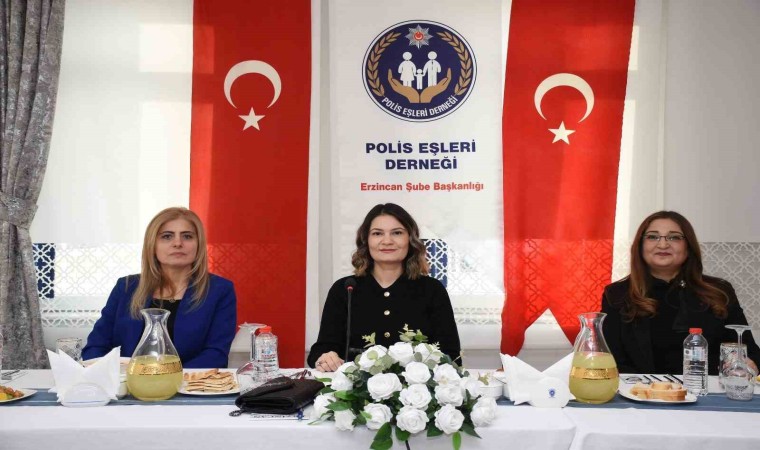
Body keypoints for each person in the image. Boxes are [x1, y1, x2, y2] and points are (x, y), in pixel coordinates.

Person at [602, 211, 760, 375]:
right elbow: (610, 360)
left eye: (674, 237)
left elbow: (750, 353)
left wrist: (748, 366)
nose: (663, 244)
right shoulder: (617, 294)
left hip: (708, 389)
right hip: (641, 389)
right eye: (653, 237)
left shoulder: (720, 291)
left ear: (688, 246)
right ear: (640, 246)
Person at [308, 203, 460, 371]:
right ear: (366, 240)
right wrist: (325, 358)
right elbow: (320, 350)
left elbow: (451, 356)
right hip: (356, 386)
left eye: (397, 233)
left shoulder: (432, 289)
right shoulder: (345, 289)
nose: (387, 241)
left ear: (410, 239)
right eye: (377, 233)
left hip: (416, 387)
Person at [83, 207, 237, 368]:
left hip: (189, 382)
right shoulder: (126, 287)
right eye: (167, 236)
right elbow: (96, 347)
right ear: (153, 244)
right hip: (126, 381)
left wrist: (169, 376)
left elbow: (216, 354)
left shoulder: (219, 290)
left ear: (198, 244)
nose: (178, 243)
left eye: (187, 236)